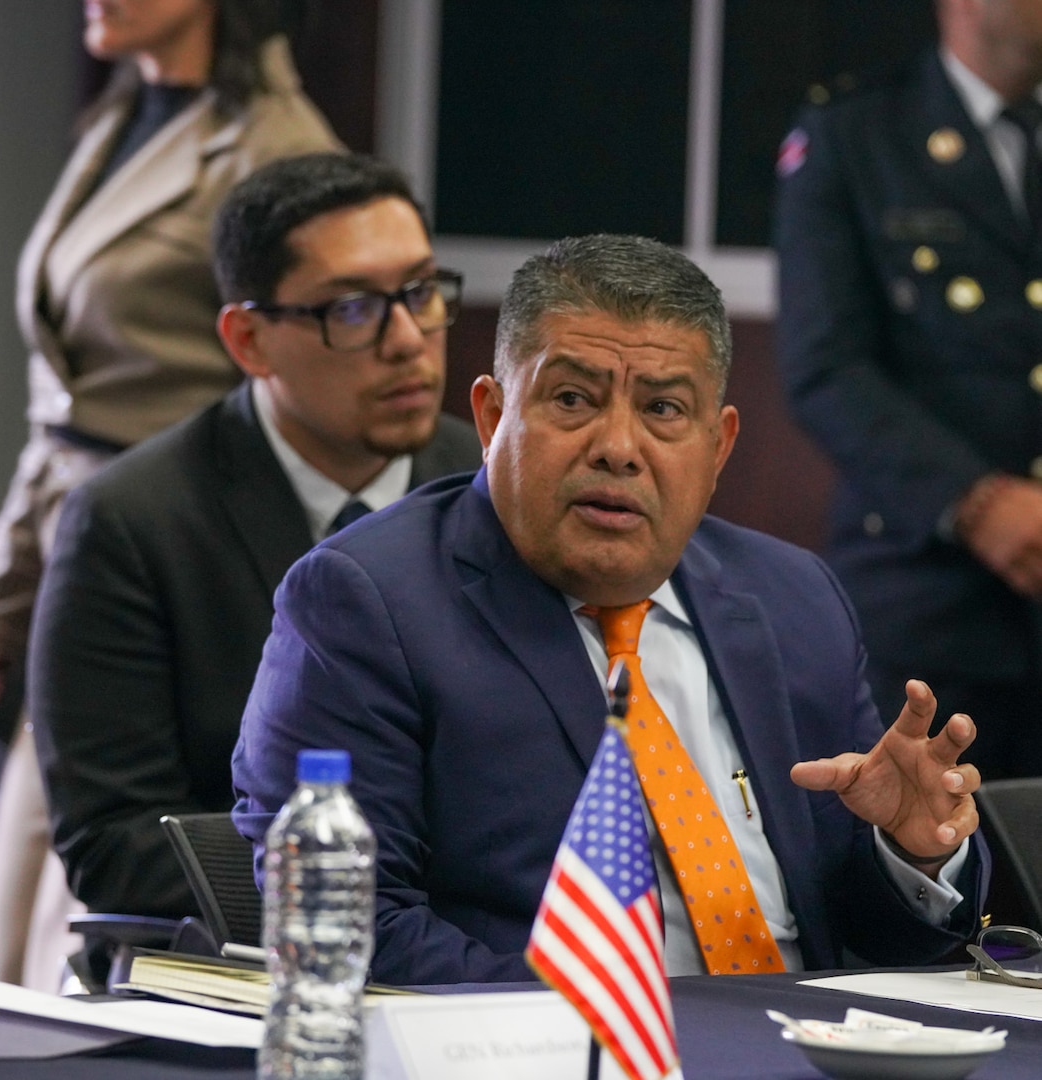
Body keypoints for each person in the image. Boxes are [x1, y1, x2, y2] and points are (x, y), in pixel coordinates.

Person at [231, 235, 989, 987]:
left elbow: (863, 931)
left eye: (663, 408)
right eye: (572, 399)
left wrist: (910, 852)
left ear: (718, 447)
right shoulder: (365, 603)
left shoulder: (794, 597)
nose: (619, 447)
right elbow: (350, 925)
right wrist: (623, 1033)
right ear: (493, 417)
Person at [0, 0, 339, 988]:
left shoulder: (277, 149)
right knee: (19, 906)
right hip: (78, 538)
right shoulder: (123, 116)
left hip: (182, 568)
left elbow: (306, 395)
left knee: (84, 912)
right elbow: (69, 410)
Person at [30, 154, 481, 925]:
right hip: (230, 963)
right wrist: (354, 881)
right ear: (249, 340)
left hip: (472, 954)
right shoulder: (133, 519)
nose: (407, 339)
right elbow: (111, 843)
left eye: (421, 293)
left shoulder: (491, 488)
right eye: (351, 310)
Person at [775, 0, 1042, 779]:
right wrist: (979, 502)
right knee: (932, 878)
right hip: (926, 594)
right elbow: (826, 365)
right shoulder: (855, 134)